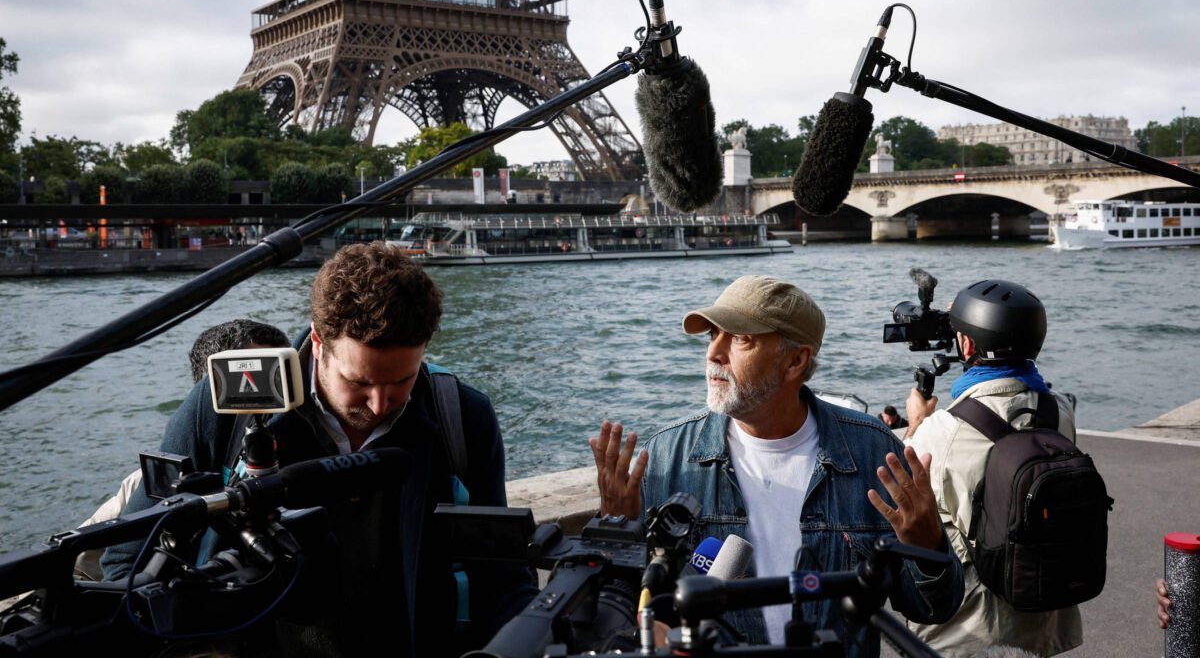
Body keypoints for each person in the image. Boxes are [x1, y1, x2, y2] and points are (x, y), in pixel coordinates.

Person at [102, 242, 534, 656]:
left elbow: (499, 572)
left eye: (401, 381)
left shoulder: (462, 415)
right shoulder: (223, 405)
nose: (379, 404)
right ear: (318, 342)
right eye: (359, 382)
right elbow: (127, 563)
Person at [590, 275, 963, 656]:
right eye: (713, 336)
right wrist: (616, 534)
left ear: (795, 360)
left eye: (740, 338)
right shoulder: (667, 457)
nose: (713, 353)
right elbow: (624, 611)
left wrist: (927, 545)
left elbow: (934, 608)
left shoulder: (874, 453)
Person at [901, 279, 1081, 657]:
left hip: (970, 630)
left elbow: (906, 487)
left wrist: (916, 421)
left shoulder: (942, 431)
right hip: (1042, 614)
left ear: (967, 346)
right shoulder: (1059, 412)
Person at [72, 319, 290, 582]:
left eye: (281, 375)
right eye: (248, 377)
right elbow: (93, 564)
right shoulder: (143, 486)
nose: (271, 393)